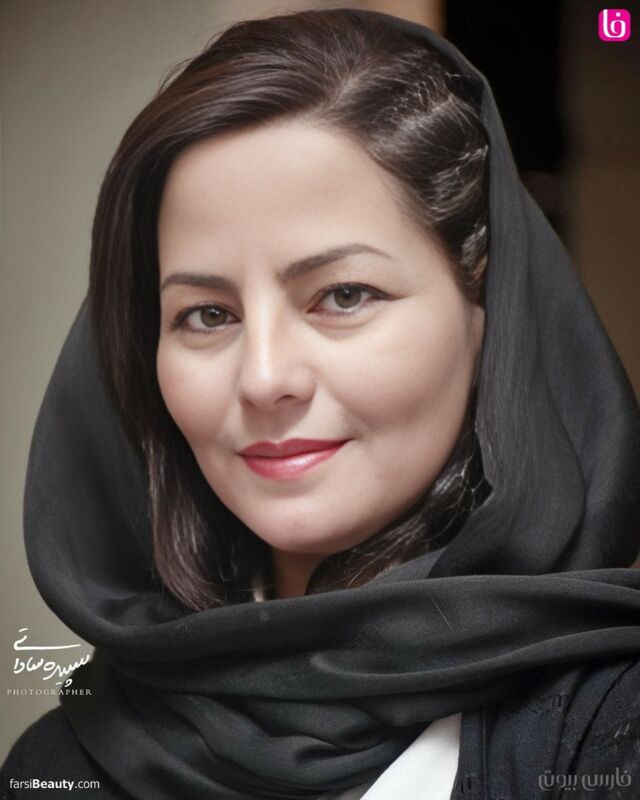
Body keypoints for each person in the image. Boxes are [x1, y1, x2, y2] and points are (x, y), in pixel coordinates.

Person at [2, 7, 639, 800]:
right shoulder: (63, 764)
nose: (265, 378)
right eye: (208, 314)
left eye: (343, 295)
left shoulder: (612, 728)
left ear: (488, 310)